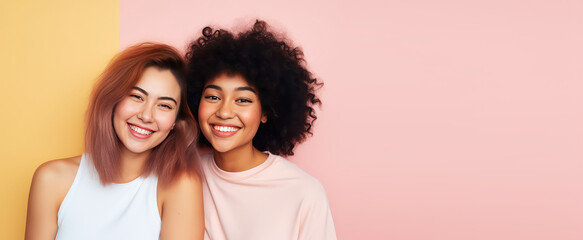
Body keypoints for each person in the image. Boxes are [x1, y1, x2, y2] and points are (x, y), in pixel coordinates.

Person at [25, 43, 204, 240]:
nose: (146, 115)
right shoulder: (52, 179)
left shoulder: (179, 186)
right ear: (113, 99)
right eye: (137, 96)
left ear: (175, 122)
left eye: (164, 105)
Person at [185, 20, 337, 239]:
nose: (224, 112)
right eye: (213, 97)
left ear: (266, 112)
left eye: (243, 100)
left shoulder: (304, 193)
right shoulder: (184, 177)